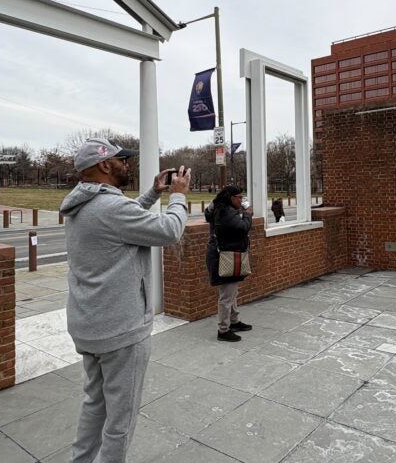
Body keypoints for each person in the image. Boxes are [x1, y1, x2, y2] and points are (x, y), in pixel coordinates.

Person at [60, 137, 190, 463]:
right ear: (105, 165)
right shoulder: (112, 208)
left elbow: (123, 222)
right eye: (122, 160)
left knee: (95, 404)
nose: (127, 165)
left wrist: (153, 193)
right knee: (121, 418)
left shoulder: (80, 206)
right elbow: (169, 231)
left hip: (90, 326)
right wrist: (178, 196)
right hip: (121, 330)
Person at [204, 185, 253, 342]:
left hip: (228, 254)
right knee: (227, 295)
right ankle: (223, 330)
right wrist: (247, 214)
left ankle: (234, 321)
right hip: (226, 256)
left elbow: (207, 214)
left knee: (232, 292)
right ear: (232, 198)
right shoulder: (226, 212)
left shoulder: (220, 208)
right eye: (240, 197)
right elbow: (243, 228)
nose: (241, 200)